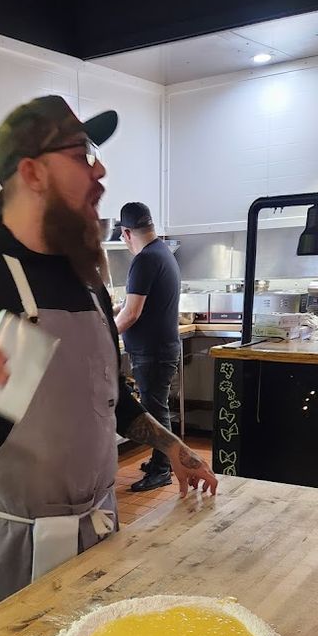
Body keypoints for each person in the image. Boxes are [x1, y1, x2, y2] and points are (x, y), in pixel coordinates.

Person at [0, 95, 217, 610]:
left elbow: (108, 398)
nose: (100, 170)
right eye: (83, 154)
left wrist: (174, 448)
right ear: (33, 172)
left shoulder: (81, 275)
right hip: (18, 539)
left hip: (101, 519)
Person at [115, 202, 182, 492]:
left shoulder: (144, 260)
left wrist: (104, 332)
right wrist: (117, 307)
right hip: (160, 348)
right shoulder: (163, 252)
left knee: (155, 410)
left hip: (152, 352)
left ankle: (162, 469)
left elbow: (132, 314)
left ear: (126, 233)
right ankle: (160, 459)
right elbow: (132, 304)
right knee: (157, 407)